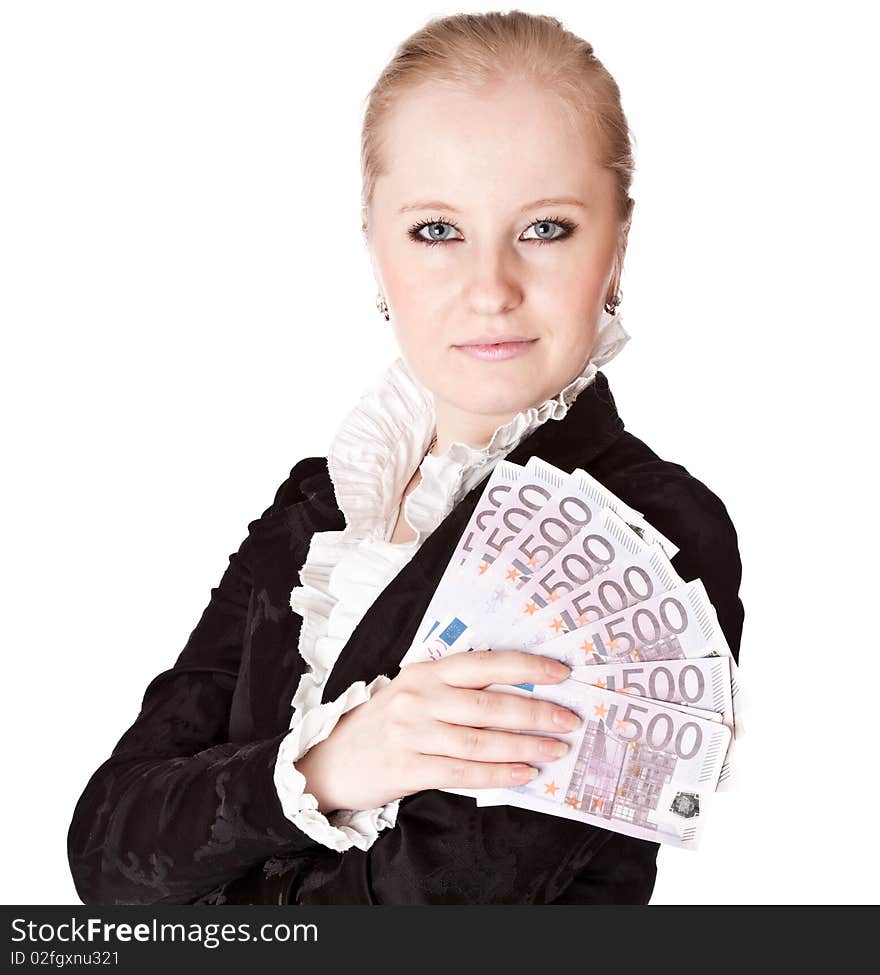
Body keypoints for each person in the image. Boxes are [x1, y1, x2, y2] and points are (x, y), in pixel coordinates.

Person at [67, 10, 744, 905]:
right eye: (436, 229)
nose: (490, 288)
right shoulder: (316, 506)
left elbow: (433, 913)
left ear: (617, 245)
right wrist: (330, 766)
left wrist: (233, 836)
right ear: (374, 245)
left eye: (545, 228)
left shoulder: (646, 528)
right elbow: (109, 854)